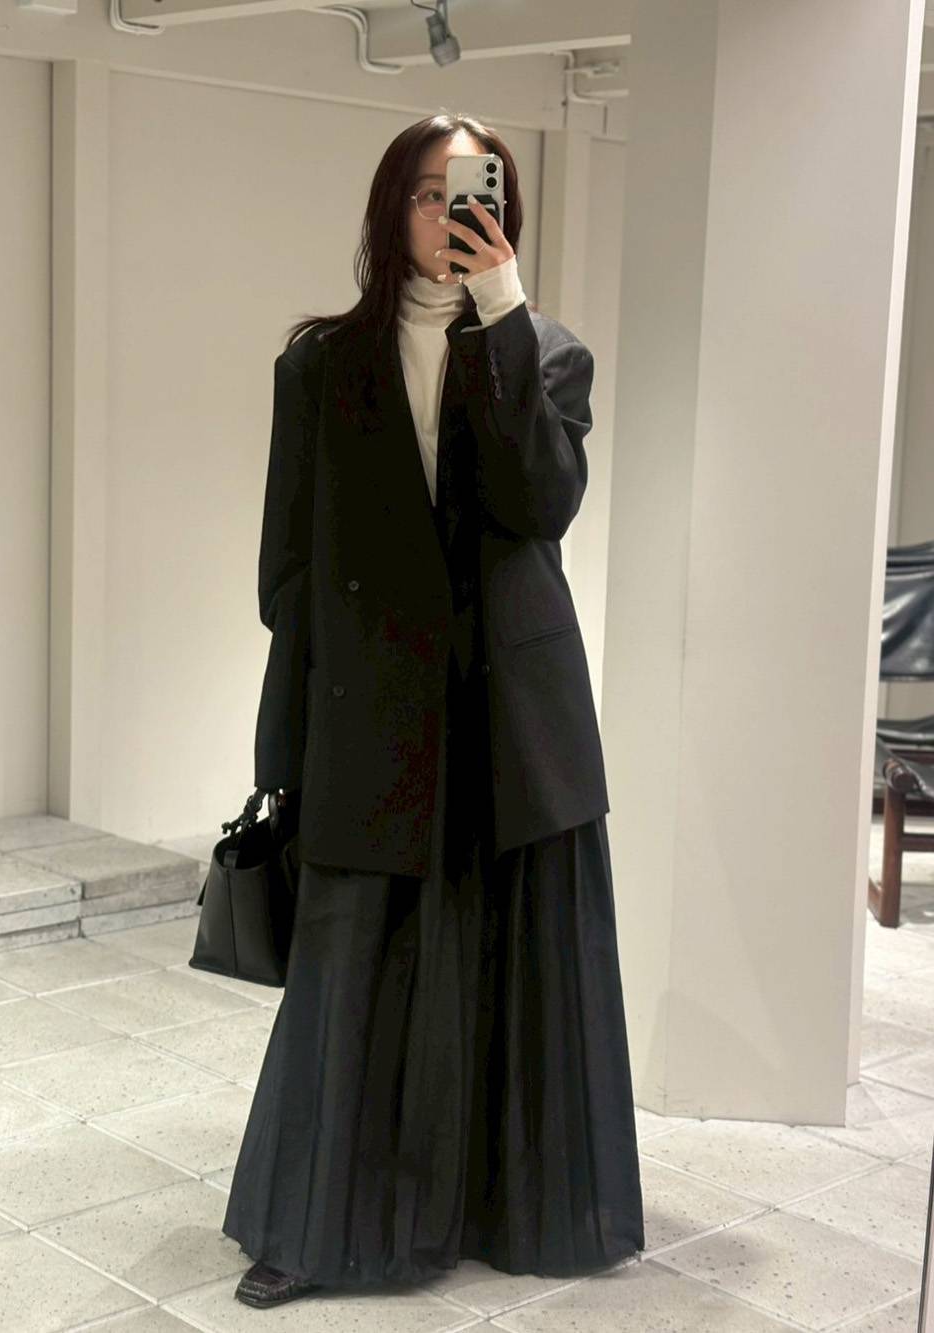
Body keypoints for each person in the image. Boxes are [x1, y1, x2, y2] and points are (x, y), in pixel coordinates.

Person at [221, 110, 645, 1308]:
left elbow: (539, 502)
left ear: (504, 208)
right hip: (374, 708)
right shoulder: (319, 365)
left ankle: (511, 1208)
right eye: (426, 190)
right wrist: (297, 732)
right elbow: (286, 571)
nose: (449, 210)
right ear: (387, 208)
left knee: (518, 964)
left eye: (473, 188)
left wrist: (501, 306)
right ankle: (316, 1229)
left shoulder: (545, 352)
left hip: (512, 711)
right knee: (353, 967)